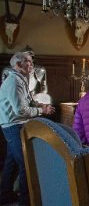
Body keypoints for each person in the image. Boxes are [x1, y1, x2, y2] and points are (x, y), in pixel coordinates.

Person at [0, 52, 55, 205]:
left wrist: (40, 105)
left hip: (15, 125)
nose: (31, 65)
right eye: (28, 62)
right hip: (14, 126)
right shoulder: (14, 81)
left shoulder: (20, 79)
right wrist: (41, 111)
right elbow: (20, 110)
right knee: (26, 162)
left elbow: (27, 102)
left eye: (31, 62)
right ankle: (26, 201)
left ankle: (4, 195)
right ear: (18, 65)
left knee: (12, 161)